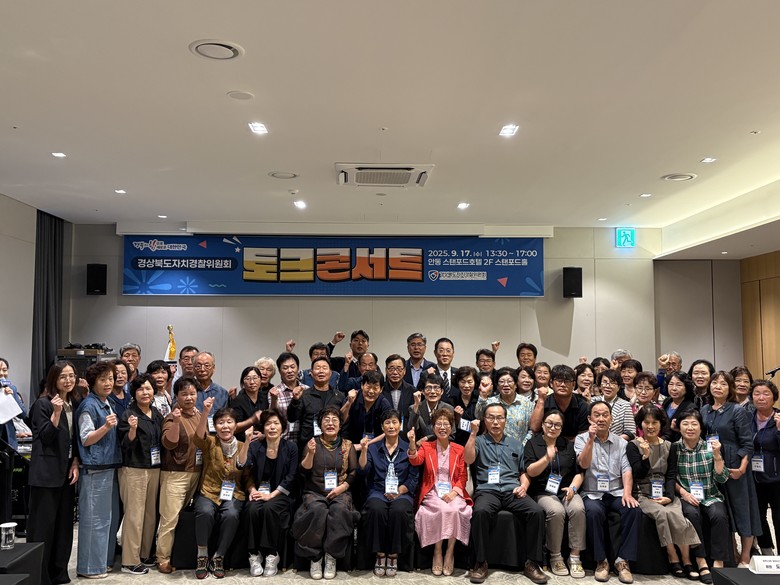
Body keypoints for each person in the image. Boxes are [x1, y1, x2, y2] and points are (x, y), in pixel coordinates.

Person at [465, 403, 548, 585]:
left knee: (536, 512)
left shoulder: (516, 443)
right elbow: (468, 459)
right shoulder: (478, 441)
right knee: (480, 512)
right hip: (487, 490)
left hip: (512, 490)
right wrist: (472, 434)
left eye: (499, 418)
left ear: (505, 420)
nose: (495, 422)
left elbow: (523, 471)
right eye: (491, 418)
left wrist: (523, 486)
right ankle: (480, 562)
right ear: (484, 420)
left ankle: (532, 563)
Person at [626, 405, 700, 579]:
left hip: (665, 492)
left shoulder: (669, 446)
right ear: (640, 424)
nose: (650, 426)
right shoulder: (633, 446)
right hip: (643, 493)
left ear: (661, 424)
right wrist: (645, 456)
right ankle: (672, 556)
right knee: (662, 514)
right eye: (646, 422)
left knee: (676, 514)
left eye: (655, 422)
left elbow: (671, 474)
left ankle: (687, 560)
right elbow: (638, 474)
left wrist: (669, 496)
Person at [575, 400, 641, 584]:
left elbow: (626, 470)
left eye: (605, 415)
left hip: (616, 491)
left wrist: (627, 493)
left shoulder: (621, 442)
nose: (601, 419)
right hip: (592, 492)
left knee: (633, 509)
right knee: (593, 511)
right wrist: (590, 439)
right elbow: (583, 464)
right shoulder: (581, 439)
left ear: (611, 418)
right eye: (597, 415)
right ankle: (601, 561)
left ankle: (623, 560)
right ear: (590, 418)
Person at [700, 371, 762, 566]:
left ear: (730, 389)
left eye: (723, 384)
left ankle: (745, 556)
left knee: (742, 510)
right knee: (724, 510)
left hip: (735, 464)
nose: (718, 387)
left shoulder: (737, 410)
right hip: (713, 463)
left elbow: (747, 443)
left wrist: (742, 468)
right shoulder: (704, 410)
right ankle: (732, 552)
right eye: (715, 383)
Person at [27, 361, 81, 585]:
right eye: (63, 377)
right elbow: (45, 437)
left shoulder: (74, 403)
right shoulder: (43, 404)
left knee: (63, 526)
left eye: (71, 376)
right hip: (46, 474)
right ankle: (39, 576)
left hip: (66, 472)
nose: (68, 380)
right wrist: (56, 413)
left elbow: (74, 439)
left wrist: (75, 461)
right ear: (53, 379)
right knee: (43, 527)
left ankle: (59, 572)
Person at [292, 406, 358, 580]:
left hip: (340, 491)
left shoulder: (348, 445)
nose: (330, 423)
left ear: (340, 425)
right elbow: (303, 471)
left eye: (334, 420)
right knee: (317, 510)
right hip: (314, 491)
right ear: (320, 424)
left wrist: (343, 487)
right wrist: (310, 454)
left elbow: (353, 472)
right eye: (326, 420)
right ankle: (315, 558)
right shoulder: (312, 443)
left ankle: (331, 556)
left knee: (340, 510)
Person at [192, 400, 253, 579]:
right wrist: (205, 412)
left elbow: (245, 471)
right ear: (215, 426)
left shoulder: (242, 446)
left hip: (234, 493)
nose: (225, 426)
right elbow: (198, 437)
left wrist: (251, 489)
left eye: (229, 422)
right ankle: (202, 555)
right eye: (220, 423)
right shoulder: (211, 442)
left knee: (231, 514)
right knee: (204, 512)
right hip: (209, 490)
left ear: (235, 425)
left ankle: (219, 556)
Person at [408, 408, 472, 576]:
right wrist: (413, 443)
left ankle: (449, 551)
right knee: (442, 509)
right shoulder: (427, 446)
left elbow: (462, 476)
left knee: (456, 509)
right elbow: (415, 460)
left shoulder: (459, 449)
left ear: (451, 427)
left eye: (446, 424)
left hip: (453, 490)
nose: (442, 427)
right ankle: (437, 551)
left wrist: (454, 492)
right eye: (438, 424)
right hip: (432, 490)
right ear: (433, 427)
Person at [524, 409, 586, 578]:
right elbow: (530, 471)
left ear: (562, 427)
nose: (553, 428)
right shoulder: (533, 444)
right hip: (543, 492)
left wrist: (573, 488)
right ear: (543, 425)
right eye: (549, 424)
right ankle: (556, 556)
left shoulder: (567, 444)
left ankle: (575, 557)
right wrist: (546, 458)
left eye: (557, 425)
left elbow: (579, 473)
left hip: (566, 490)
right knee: (556, 511)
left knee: (578, 508)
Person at [75, 361, 122, 579]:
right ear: (93, 382)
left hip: (106, 466)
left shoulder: (106, 401)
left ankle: (99, 564)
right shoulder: (89, 405)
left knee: (104, 520)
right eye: (103, 379)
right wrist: (106, 427)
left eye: (110, 379)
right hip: (94, 469)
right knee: (93, 520)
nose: (108, 383)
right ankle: (89, 568)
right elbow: (86, 439)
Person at [359, 409, 418, 577]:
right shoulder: (373, 448)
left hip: (402, 492)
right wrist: (364, 450)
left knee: (399, 510)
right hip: (378, 491)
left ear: (400, 425)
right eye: (387, 423)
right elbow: (363, 470)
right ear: (382, 427)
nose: (391, 426)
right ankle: (379, 554)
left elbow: (414, 476)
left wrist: (399, 491)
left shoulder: (408, 447)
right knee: (375, 508)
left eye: (394, 422)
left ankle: (393, 555)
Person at [116, 373, 165, 574]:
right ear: (134, 392)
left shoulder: (156, 413)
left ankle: (145, 553)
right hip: (133, 468)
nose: (145, 392)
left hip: (154, 468)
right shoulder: (129, 414)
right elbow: (124, 445)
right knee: (134, 515)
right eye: (140, 389)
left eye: (148, 388)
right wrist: (132, 430)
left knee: (150, 514)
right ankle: (129, 560)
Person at [675, 409, 730, 583]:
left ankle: (719, 562)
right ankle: (701, 561)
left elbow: (722, 477)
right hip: (686, 495)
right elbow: (670, 478)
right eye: (685, 424)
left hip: (711, 495)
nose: (690, 428)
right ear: (679, 427)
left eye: (694, 424)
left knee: (719, 516)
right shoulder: (674, 448)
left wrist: (717, 456)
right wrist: (684, 493)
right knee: (691, 515)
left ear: (701, 427)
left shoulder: (711, 447)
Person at [155, 376, 203, 574]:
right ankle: (162, 558)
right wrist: (175, 421)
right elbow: (169, 443)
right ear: (176, 396)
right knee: (170, 518)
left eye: (192, 393)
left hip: (195, 473)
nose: (189, 398)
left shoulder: (198, 414)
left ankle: (175, 554)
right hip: (175, 474)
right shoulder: (171, 417)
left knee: (181, 517)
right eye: (184, 394)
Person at [245, 409, 299, 577]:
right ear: (263, 427)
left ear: (282, 426)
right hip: (259, 491)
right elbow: (246, 470)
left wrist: (271, 495)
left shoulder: (291, 447)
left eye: (276, 423)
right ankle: (254, 554)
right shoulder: (255, 446)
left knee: (269, 508)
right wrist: (252, 490)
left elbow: (291, 477)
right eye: (268, 424)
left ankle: (272, 554)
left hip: (281, 494)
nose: (272, 427)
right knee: (251, 509)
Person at [287, 357, 347, 450]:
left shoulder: (339, 396)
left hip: (333, 446)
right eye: (317, 368)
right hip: (308, 445)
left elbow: (343, 423)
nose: (321, 371)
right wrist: (295, 400)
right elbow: (292, 418)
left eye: (324, 368)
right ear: (311, 373)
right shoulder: (303, 395)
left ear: (330, 373)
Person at [750, 379, 780, 555]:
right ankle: (767, 551)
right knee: (758, 517)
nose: (761, 398)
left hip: (777, 478)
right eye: (757, 394)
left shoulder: (779, 418)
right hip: (754, 477)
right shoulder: (747, 418)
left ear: (774, 398)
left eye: (766, 394)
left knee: (779, 517)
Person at [475, 367, 534, 446]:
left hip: (520, 449)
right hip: (493, 448)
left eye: (509, 381)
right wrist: (483, 395)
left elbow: (532, 429)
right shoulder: (491, 402)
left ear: (516, 385)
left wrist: (522, 446)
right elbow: (478, 416)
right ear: (497, 386)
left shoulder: (526, 403)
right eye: (501, 381)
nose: (506, 384)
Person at [531, 364, 589, 441]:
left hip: (574, 445)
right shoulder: (544, 402)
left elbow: (583, 436)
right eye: (559, 381)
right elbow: (534, 428)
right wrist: (541, 401)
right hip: (546, 443)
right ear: (551, 383)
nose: (563, 385)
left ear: (574, 384)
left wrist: (564, 445)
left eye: (567, 381)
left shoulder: (583, 405)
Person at [343, 370, 391, 446]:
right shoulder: (353, 397)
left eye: (375, 388)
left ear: (381, 389)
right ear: (362, 386)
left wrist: (364, 445)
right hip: (352, 444)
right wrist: (349, 403)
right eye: (368, 387)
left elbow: (388, 431)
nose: (371, 391)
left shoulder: (384, 404)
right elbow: (341, 421)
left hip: (375, 446)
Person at [271, 352, 306, 442]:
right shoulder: (274, 392)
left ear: (298, 368)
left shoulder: (306, 389)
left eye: (292, 367)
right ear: (279, 371)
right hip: (283, 441)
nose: (290, 371)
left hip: (304, 442)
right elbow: (272, 417)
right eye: (285, 368)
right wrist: (274, 399)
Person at [408, 372, 455, 440]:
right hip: (419, 445)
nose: (432, 392)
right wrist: (416, 405)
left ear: (442, 391)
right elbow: (411, 429)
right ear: (423, 391)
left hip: (441, 445)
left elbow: (451, 436)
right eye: (428, 388)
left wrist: (428, 438)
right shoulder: (414, 408)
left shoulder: (448, 408)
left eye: (436, 388)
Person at [230, 366, 268, 442]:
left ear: (260, 380)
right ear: (243, 382)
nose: (252, 382)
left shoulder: (265, 398)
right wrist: (252, 420)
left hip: (262, 443)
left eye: (255, 378)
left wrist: (264, 435)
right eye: (248, 379)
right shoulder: (238, 400)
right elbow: (233, 428)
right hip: (243, 443)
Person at [595, 370, 635, 441]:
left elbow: (631, 432)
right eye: (605, 382)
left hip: (616, 444)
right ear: (600, 385)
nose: (608, 386)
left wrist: (612, 440)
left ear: (619, 387)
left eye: (612, 383)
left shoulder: (625, 405)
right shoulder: (593, 401)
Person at [382, 354, 416, 432]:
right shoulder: (381, 390)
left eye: (399, 369)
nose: (395, 372)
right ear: (386, 370)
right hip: (384, 433)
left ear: (404, 371)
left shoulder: (412, 390)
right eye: (391, 369)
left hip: (405, 433)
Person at [661, 372, 695, 443]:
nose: (674, 388)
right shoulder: (667, 401)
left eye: (679, 385)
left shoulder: (691, 408)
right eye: (671, 384)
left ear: (686, 387)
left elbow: (694, 432)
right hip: (664, 443)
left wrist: (678, 429)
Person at [451, 366, 479, 446]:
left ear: (475, 382)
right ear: (458, 382)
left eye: (470, 382)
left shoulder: (479, 401)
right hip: (456, 443)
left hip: (476, 443)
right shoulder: (452, 401)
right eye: (463, 382)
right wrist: (457, 418)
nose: (466, 386)